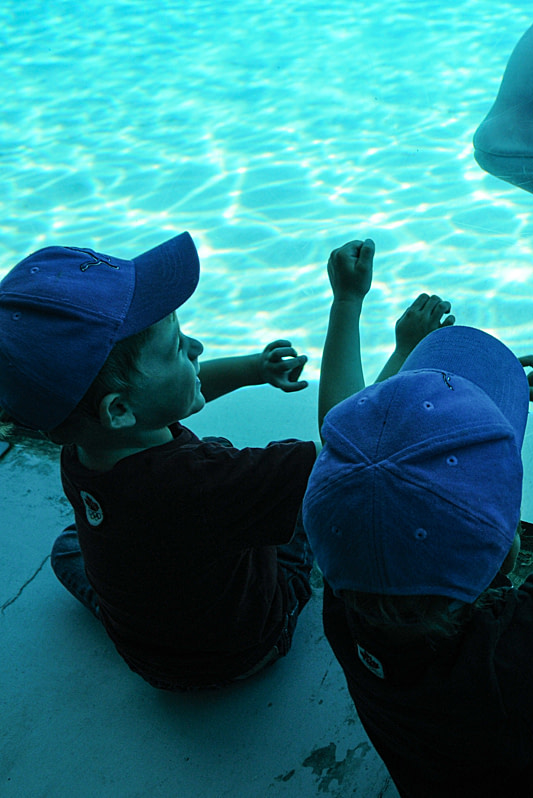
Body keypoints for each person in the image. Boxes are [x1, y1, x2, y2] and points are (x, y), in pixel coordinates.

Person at [0, 232, 445, 691]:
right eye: (176, 347)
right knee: (317, 507)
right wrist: (360, 311)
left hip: (145, 648)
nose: (196, 348)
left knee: (71, 548)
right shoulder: (207, 480)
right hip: (242, 649)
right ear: (117, 410)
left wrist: (253, 369)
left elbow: (155, 401)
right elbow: (349, 449)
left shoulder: (82, 442)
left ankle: (139, 625)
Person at [302, 292, 533, 796]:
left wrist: (397, 358)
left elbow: (344, 440)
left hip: (438, 775)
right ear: (512, 551)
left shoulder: (342, 600)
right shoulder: (518, 639)